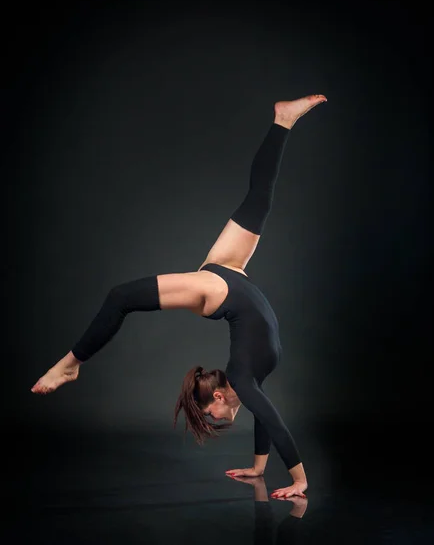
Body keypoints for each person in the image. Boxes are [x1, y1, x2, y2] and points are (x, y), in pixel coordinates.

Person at [31, 94, 327, 498]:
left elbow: (273, 422)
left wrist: (299, 480)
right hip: (230, 273)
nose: (218, 418)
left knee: (120, 296)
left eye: (211, 412)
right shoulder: (249, 381)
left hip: (217, 290)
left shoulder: (242, 376)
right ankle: (282, 121)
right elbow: (264, 418)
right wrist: (259, 470)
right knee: (259, 199)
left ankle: (70, 364)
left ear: (220, 395)